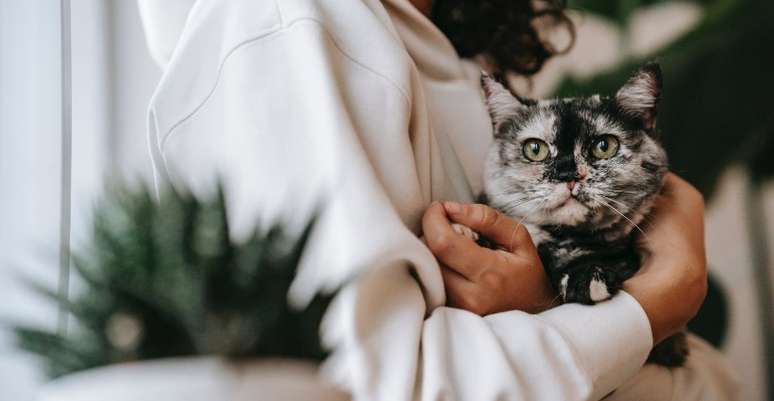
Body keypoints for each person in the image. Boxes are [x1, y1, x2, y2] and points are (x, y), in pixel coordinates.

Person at [139, 0, 739, 399]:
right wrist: (655, 302)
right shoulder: (284, 24)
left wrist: (555, 306)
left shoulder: (459, 60)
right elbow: (372, 384)